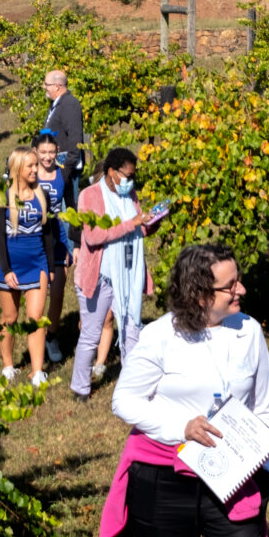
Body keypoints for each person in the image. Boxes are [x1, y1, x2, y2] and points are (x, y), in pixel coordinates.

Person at [103, 243, 269, 537]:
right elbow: (124, 401)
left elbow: (264, 407)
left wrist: (265, 472)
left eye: (239, 281)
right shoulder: (160, 335)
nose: (241, 291)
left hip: (233, 480)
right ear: (200, 294)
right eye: (230, 286)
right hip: (164, 481)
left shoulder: (249, 331)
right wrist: (180, 429)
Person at [72, 147, 164, 398]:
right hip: (99, 275)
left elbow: (136, 232)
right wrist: (131, 223)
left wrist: (151, 223)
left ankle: (132, 388)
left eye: (133, 176)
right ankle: (80, 387)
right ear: (111, 172)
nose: (130, 181)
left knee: (131, 328)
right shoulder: (89, 195)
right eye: (127, 175)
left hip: (128, 275)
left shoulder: (130, 194)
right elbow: (93, 236)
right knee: (91, 334)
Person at [0, 146, 60, 386]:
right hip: (10, 266)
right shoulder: (3, 195)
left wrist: (50, 267)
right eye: (30, 166)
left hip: (37, 263)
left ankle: (37, 370)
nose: (36, 169)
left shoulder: (42, 194)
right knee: (10, 317)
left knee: (36, 318)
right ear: (18, 168)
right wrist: (7, 270)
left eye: (36, 165)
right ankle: (8, 365)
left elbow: (48, 234)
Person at [33, 131, 74, 366]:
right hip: (37, 239)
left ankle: (52, 335)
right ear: (36, 153)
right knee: (38, 295)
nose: (47, 157)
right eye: (43, 153)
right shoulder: (30, 173)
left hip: (58, 238)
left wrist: (73, 243)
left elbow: (72, 206)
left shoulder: (62, 174)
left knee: (57, 293)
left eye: (51, 152)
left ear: (57, 152)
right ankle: (35, 338)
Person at [43, 70, 85, 207]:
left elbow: (75, 138)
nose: (45, 87)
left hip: (66, 169)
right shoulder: (57, 104)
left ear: (57, 86)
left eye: (47, 84)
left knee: (67, 211)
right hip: (56, 167)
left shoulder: (69, 104)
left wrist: (67, 167)